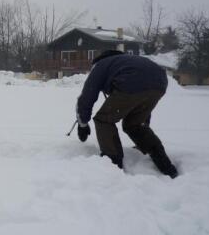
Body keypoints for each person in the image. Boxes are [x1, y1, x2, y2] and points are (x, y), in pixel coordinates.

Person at [76, 50, 178, 178]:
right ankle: (165, 165)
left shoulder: (101, 65)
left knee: (104, 120)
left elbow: (87, 95)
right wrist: (143, 125)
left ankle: (113, 163)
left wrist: (83, 124)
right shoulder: (127, 61)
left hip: (130, 82)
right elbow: (141, 104)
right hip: (160, 82)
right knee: (134, 124)